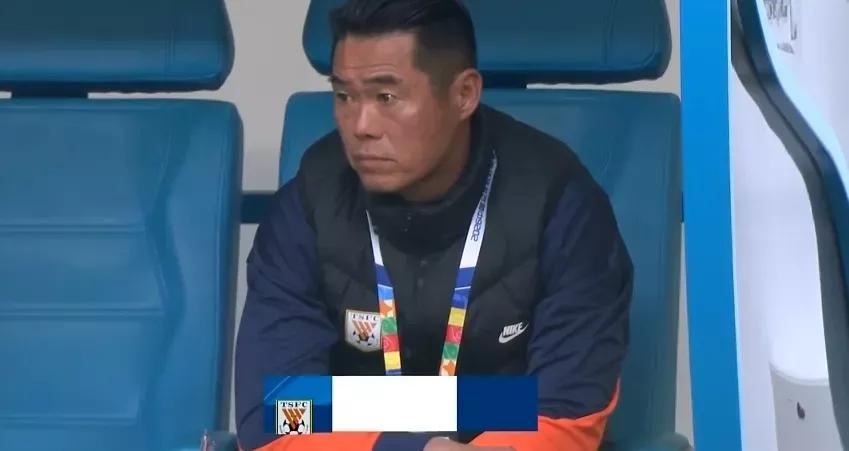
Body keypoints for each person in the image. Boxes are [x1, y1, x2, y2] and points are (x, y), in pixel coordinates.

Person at [234, 0, 633, 450]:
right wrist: (421, 443)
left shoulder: (559, 202)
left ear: (464, 95)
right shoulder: (308, 202)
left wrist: (341, 408)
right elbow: (273, 418)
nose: (360, 126)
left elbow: (565, 414)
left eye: (386, 97)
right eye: (344, 96)